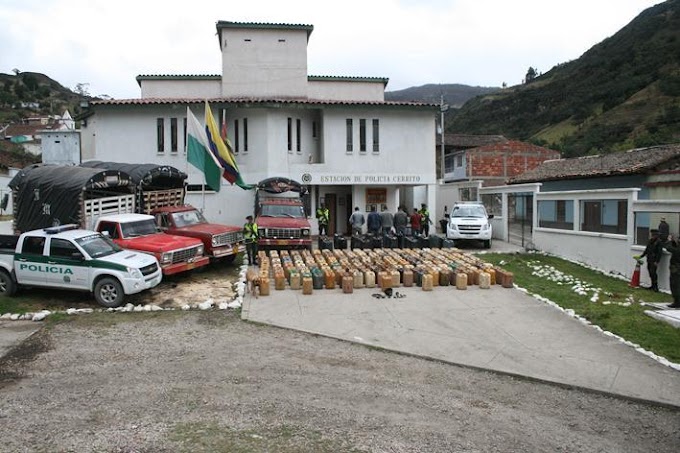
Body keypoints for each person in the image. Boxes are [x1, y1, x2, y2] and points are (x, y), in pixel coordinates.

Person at [663, 234, 680, 308]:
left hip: (676, 270)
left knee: (675, 286)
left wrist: (669, 241)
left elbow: (669, 248)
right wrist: (673, 241)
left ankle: (677, 302)